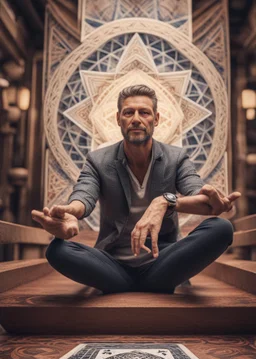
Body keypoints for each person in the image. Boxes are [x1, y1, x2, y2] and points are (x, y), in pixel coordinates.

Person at [32, 85, 240, 294]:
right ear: (118, 119)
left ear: (156, 119)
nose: (136, 119)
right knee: (56, 251)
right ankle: (150, 285)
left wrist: (164, 202)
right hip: (113, 264)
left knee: (221, 228)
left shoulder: (176, 158)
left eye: (144, 112)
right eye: (129, 112)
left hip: (162, 261)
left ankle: (128, 286)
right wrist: (70, 212)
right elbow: (83, 196)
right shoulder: (98, 160)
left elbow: (203, 200)